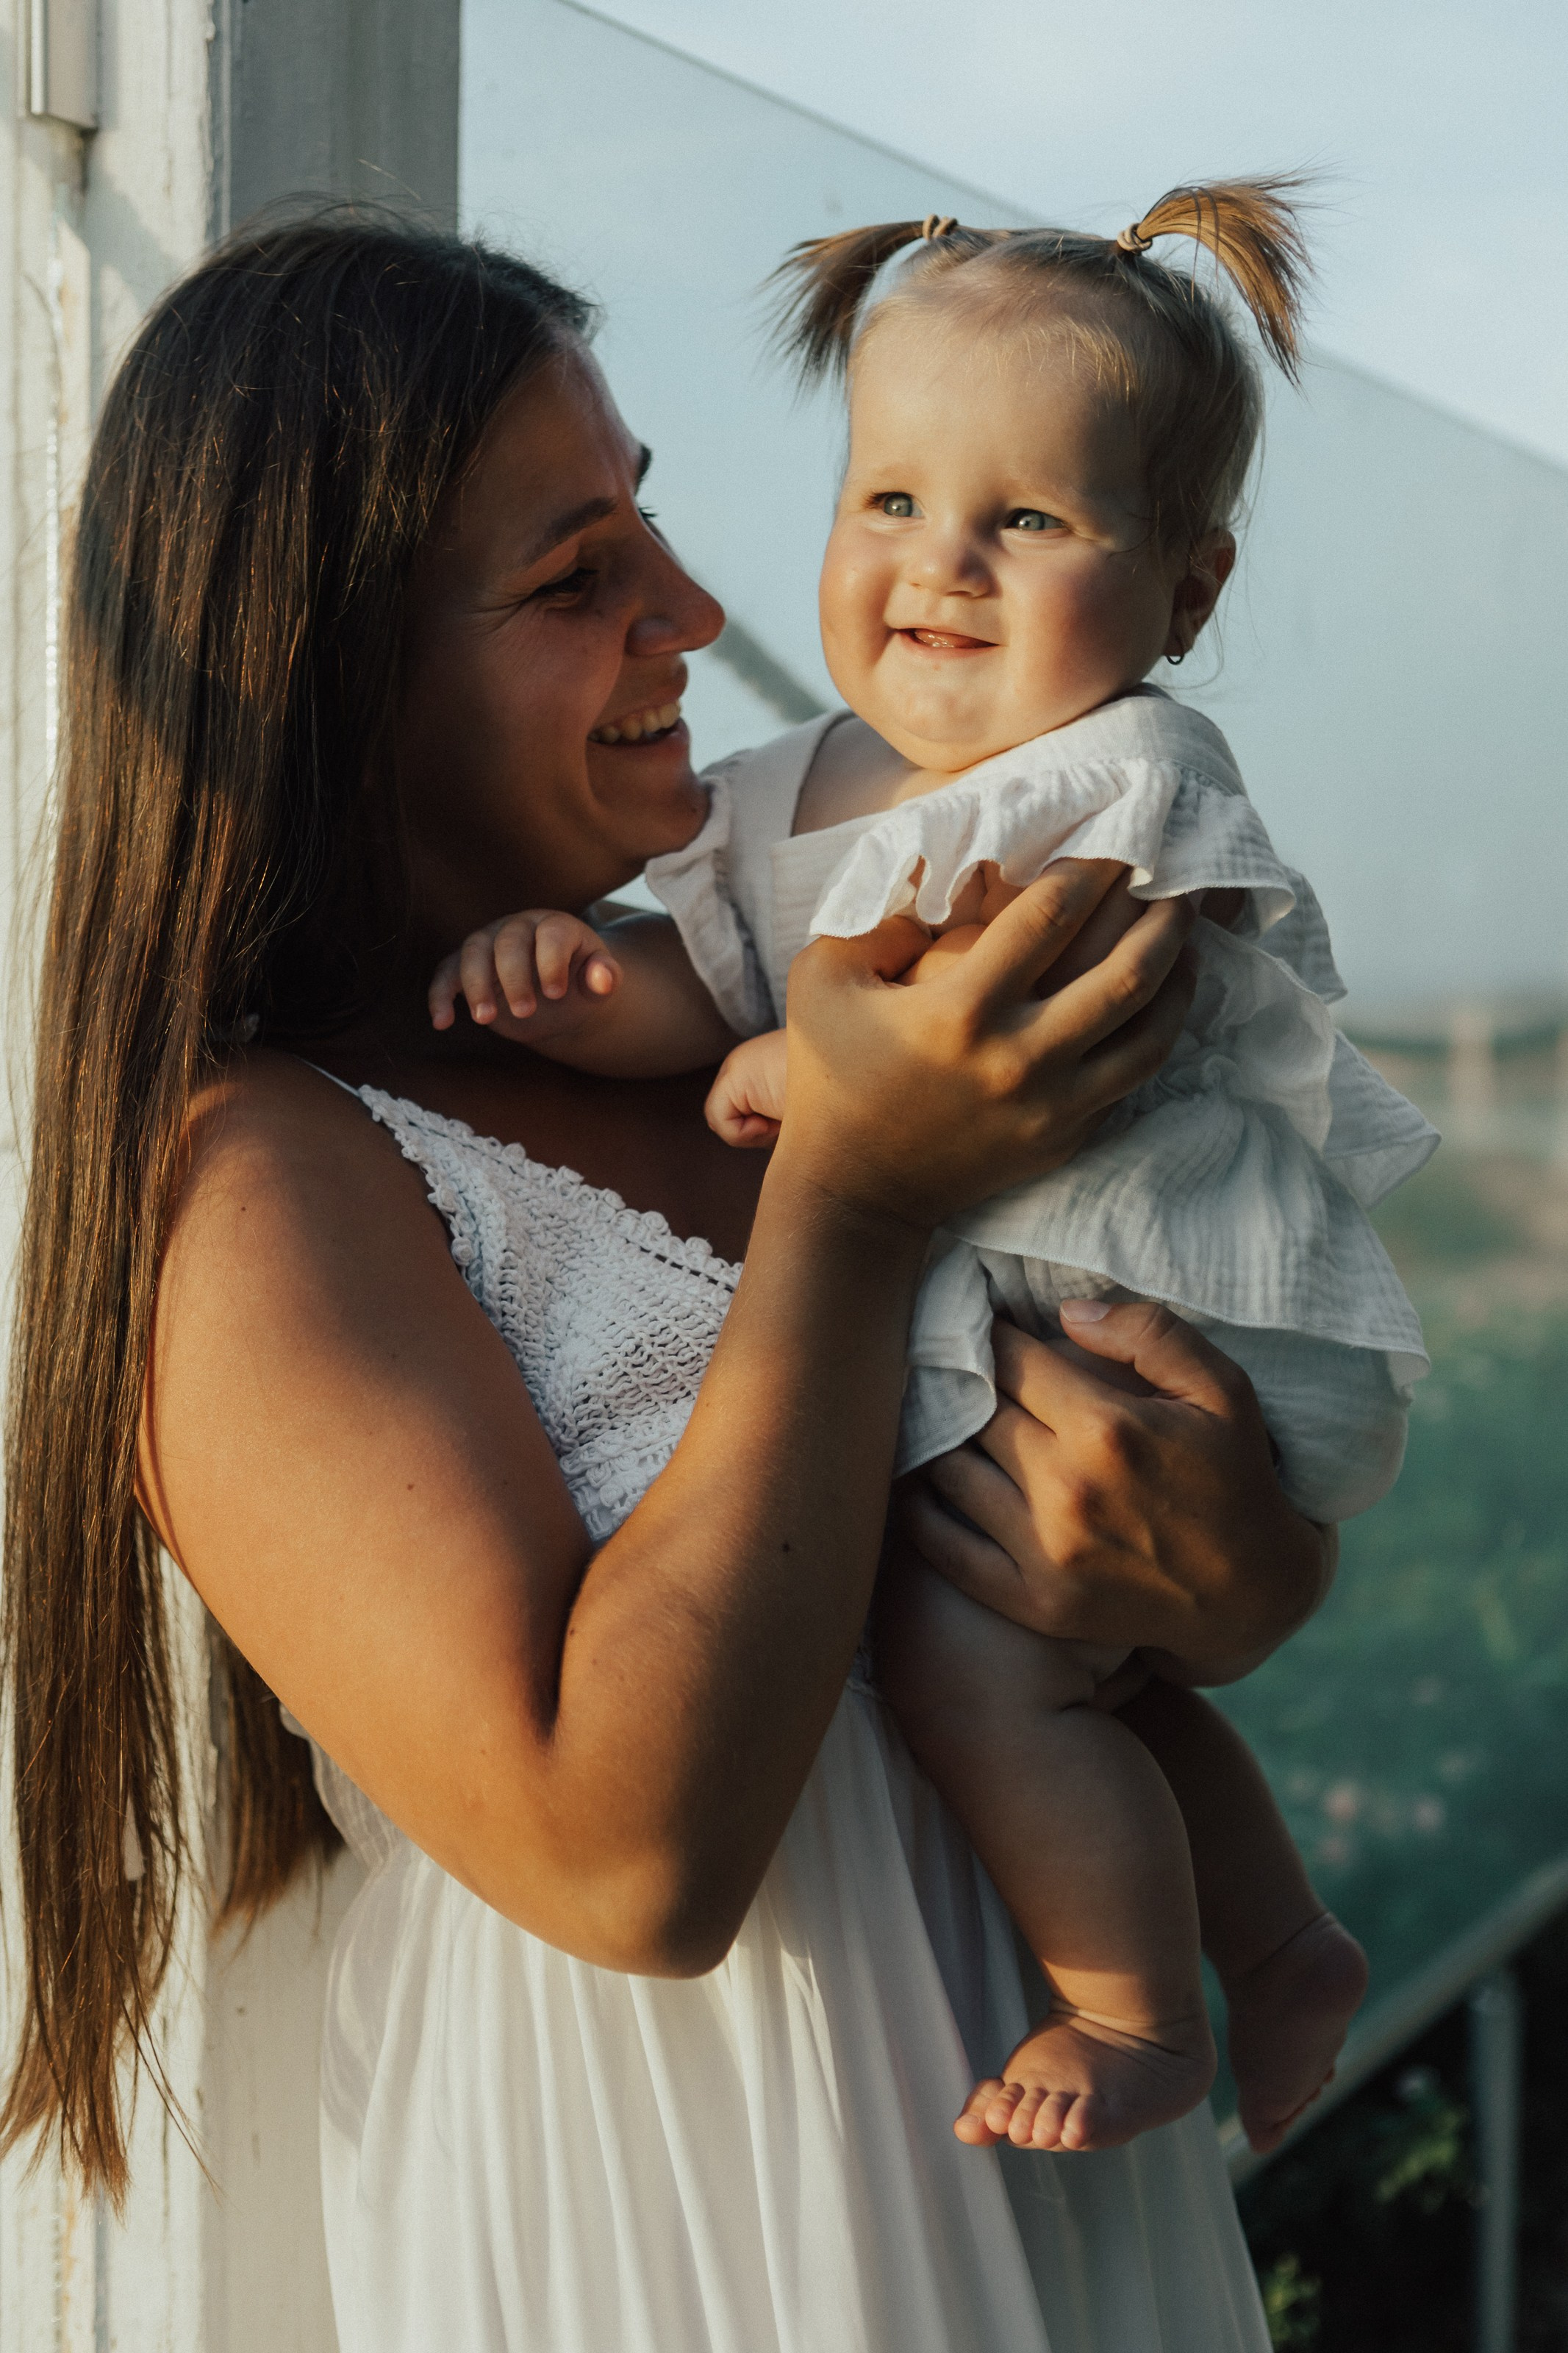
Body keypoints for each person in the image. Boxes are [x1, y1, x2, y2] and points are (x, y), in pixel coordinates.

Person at [1, 214, 1333, 2353]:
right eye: (574, 575)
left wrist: (1238, 1567)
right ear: (334, 672)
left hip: (1021, 2140)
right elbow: (628, 1863)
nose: (698, 613)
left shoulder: (760, 1026)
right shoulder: (265, 1182)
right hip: (687, 2209)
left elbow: (1081, 1568)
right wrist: (859, 1205)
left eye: (656, 523)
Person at [430, 179, 1429, 2166]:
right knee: (1081, 1666)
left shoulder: (1121, 769)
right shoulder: (794, 793)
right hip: (1045, 1315)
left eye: (1028, 522)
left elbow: (1022, 992)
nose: (938, 568)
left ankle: (1139, 2014)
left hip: (1171, 1300)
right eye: (889, 501)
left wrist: (813, 1065)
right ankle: (1281, 1937)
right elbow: (693, 976)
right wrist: (573, 980)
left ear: (1187, 593)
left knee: (979, 1655)